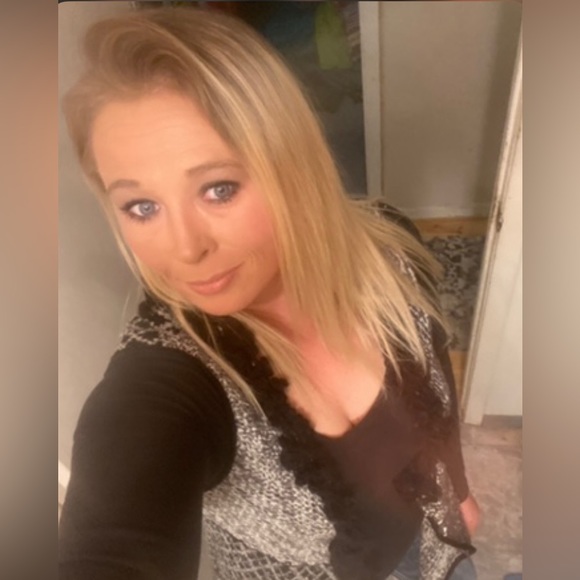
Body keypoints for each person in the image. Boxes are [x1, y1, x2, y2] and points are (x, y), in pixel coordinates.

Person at [58, 7, 480, 580]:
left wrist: (457, 490)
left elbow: (434, 384)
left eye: (218, 188)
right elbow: (115, 533)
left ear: (292, 166)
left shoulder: (388, 246)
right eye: (142, 206)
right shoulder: (167, 383)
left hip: (438, 547)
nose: (185, 248)